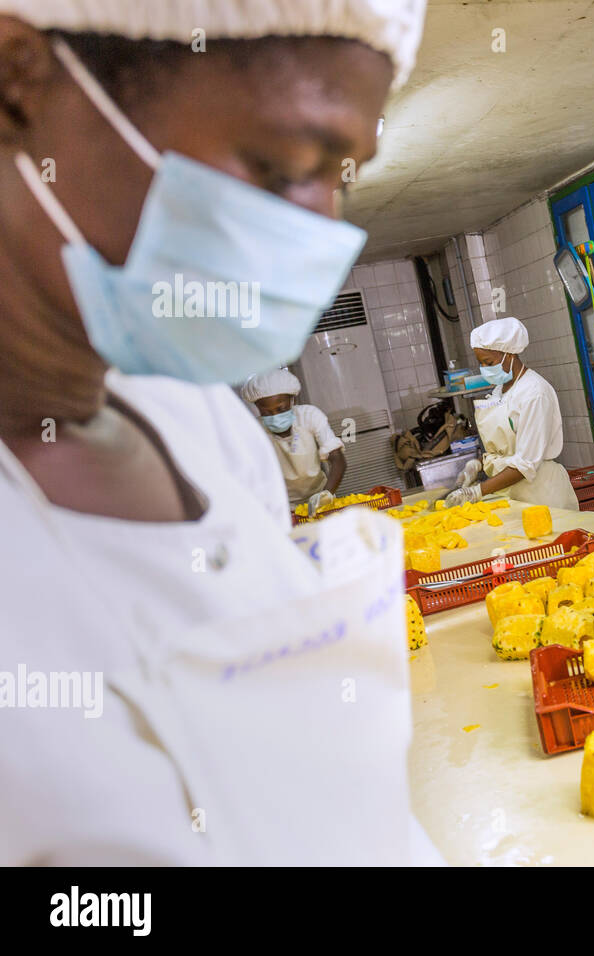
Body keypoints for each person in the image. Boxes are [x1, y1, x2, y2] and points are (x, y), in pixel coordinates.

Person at [0, 1, 442, 864]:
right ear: (18, 80)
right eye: (279, 166)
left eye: (341, 174)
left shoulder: (197, 420)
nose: (319, 231)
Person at [444, 316, 580, 510]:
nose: (484, 369)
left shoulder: (534, 392)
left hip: (541, 496)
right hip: (511, 494)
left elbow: (525, 464)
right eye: (481, 364)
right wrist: (480, 466)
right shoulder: (500, 390)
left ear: (510, 354)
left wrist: (477, 491)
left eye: (489, 362)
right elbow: (507, 449)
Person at [240, 368, 346, 514]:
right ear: (258, 409)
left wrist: (326, 494)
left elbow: (337, 458)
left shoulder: (309, 416)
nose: (275, 416)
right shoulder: (255, 430)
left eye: (281, 409)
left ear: (292, 400)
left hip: (320, 496)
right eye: (266, 413)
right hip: (282, 505)